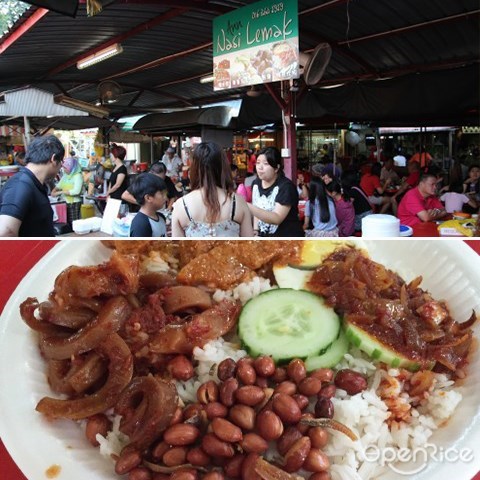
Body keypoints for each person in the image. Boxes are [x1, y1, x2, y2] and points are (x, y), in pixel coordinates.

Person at [172, 142, 253, 237]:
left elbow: (176, 248)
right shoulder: (238, 202)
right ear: (223, 167)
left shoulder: (181, 205)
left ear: (194, 168)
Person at [0, 135, 64, 237]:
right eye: (61, 161)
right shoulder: (21, 185)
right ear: (53, 159)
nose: (61, 166)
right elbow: (6, 231)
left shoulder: (35, 184)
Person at [248, 146, 304, 237]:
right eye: (258, 163)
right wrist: (256, 229)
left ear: (276, 168)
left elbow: (277, 218)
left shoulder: (286, 187)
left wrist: (247, 206)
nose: (260, 167)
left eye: (266, 164)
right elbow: (257, 210)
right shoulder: (256, 183)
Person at [128, 173, 167, 237]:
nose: (165, 197)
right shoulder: (141, 225)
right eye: (162, 194)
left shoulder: (161, 217)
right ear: (148, 198)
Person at [50, 156, 84, 227]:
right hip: (64, 203)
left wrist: (60, 192)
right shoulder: (65, 175)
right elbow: (59, 185)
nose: (64, 170)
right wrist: (54, 191)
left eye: (66, 168)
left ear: (71, 167)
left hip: (74, 203)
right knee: (65, 224)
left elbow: (76, 191)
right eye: (64, 168)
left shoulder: (78, 176)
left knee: (73, 224)